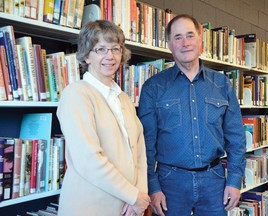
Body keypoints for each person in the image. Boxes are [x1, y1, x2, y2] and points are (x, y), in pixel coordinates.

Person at [138, 14, 246, 216]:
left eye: (190, 35)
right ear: (169, 44)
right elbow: (145, 143)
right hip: (170, 181)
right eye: (178, 37)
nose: (185, 43)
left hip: (214, 181)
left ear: (200, 40)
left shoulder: (221, 84)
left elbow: (236, 137)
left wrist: (234, 180)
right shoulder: (153, 87)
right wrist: (153, 187)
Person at [56, 20, 150, 216]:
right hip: (91, 207)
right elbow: (88, 159)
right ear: (86, 56)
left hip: (128, 207)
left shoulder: (123, 98)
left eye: (115, 49)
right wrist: (133, 196)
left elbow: (139, 151)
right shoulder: (76, 94)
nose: (110, 56)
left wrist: (140, 195)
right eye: (100, 49)